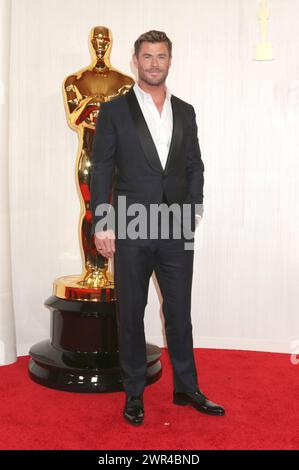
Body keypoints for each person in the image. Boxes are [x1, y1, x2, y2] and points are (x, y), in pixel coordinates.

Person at [90, 30, 225, 426]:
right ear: (135, 61)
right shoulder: (115, 111)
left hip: (176, 227)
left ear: (170, 61)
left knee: (179, 313)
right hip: (131, 225)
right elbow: (102, 169)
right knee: (131, 313)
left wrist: (193, 211)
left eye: (161, 56)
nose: (153, 63)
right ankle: (133, 393)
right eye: (147, 56)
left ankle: (187, 386)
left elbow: (194, 165)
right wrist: (103, 221)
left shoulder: (185, 111)